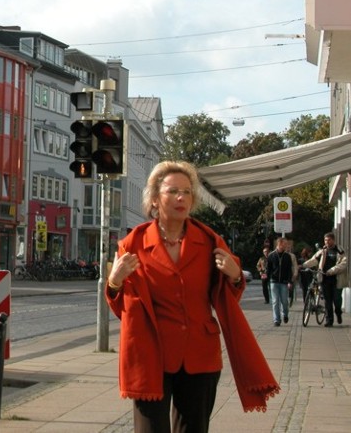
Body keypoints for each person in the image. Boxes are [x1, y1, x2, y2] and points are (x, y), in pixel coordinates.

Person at [106, 160, 278, 430]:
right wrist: (114, 282)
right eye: (172, 191)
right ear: (154, 199)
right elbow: (122, 309)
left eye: (187, 192)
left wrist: (234, 276)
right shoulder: (134, 243)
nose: (181, 198)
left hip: (200, 354)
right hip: (151, 354)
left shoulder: (208, 240)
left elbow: (226, 299)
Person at [303, 232, 348, 327]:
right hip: (324, 279)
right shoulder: (323, 251)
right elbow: (314, 260)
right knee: (327, 301)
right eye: (325, 240)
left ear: (333, 240)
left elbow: (344, 264)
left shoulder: (339, 250)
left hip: (336, 279)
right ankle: (329, 320)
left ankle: (338, 313)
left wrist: (331, 270)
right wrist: (303, 265)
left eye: (329, 240)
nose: (327, 242)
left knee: (337, 300)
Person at [266, 237, 295, 326]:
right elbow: (269, 269)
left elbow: (289, 270)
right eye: (285, 244)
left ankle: (285, 314)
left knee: (284, 301)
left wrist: (290, 281)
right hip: (273, 281)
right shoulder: (271, 255)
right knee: (275, 301)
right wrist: (267, 278)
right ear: (279, 244)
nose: (286, 245)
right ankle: (277, 320)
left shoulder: (287, 256)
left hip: (284, 282)